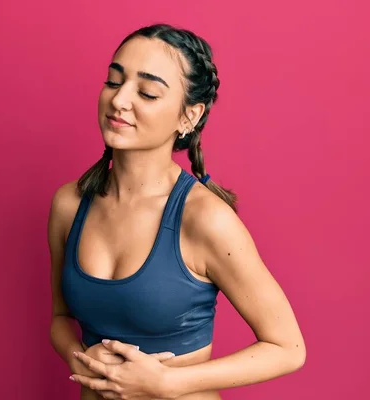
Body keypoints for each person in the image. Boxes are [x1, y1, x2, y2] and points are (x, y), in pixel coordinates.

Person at [48, 23, 306, 400]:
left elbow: (288, 349)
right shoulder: (69, 205)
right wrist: (82, 360)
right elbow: (60, 319)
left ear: (189, 117)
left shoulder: (206, 219)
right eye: (113, 81)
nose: (120, 100)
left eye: (148, 93)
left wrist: (165, 383)